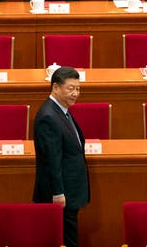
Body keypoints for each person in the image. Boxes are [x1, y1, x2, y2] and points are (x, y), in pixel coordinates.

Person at [33, 66, 90, 247]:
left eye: (78, 89)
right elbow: (52, 159)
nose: (75, 93)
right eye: (71, 88)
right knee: (66, 240)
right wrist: (58, 193)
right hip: (61, 194)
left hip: (69, 191)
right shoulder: (48, 117)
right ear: (56, 87)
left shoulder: (60, 111)